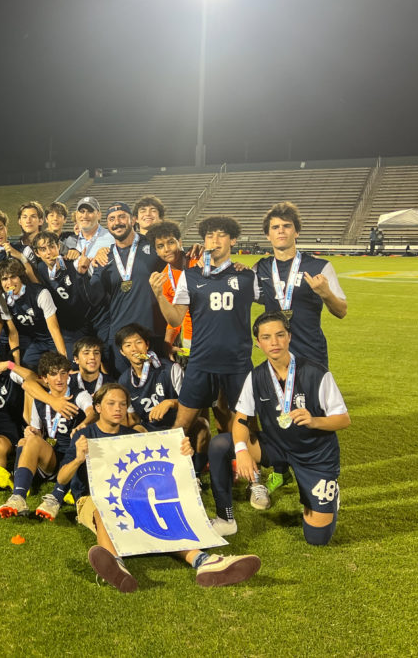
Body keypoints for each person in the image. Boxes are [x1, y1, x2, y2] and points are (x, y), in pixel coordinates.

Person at [59, 383, 261, 592]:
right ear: (98, 407)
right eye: (111, 403)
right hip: (91, 498)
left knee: (164, 511)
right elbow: (62, 478)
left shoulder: (133, 435)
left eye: (122, 404)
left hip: (131, 496)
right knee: (104, 511)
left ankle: (203, 560)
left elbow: (154, 469)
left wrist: (183, 454)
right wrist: (77, 459)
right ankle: (115, 564)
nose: (118, 408)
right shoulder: (84, 436)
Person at [207, 311, 350, 543]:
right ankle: (226, 519)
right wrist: (242, 451)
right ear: (258, 343)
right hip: (276, 447)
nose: (274, 342)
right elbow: (241, 420)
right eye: (266, 337)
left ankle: (326, 496)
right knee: (221, 444)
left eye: (279, 335)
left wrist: (315, 421)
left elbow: (343, 419)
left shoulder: (316, 373)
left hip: (315, 455)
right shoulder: (256, 377)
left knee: (317, 537)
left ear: (289, 337)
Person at [148, 216, 257, 475]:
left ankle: (250, 474)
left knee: (239, 419)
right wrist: (159, 296)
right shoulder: (190, 275)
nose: (215, 240)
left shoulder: (246, 276)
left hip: (236, 361)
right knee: (183, 421)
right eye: (210, 236)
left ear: (233, 240)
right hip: (200, 356)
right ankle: (171, 473)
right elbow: (175, 317)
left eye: (221, 235)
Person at [0, 339, 80, 488]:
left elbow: (34, 380)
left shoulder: (9, 374)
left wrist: (10, 365)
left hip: (12, 429)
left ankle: (5, 475)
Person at [0, 352, 95, 520]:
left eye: (63, 373)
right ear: (44, 378)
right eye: (53, 373)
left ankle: (55, 498)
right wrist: (31, 432)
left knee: (74, 447)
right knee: (27, 440)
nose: (59, 378)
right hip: (54, 457)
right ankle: (19, 497)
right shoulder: (41, 399)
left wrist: (83, 424)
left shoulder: (79, 395)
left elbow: (92, 413)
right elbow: (36, 429)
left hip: (76, 456)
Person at [254, 202, 347, 369]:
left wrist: (326, 293)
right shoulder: (260, 268)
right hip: (277, 354)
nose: (281, 230)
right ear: (268, 235)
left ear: (296, 232)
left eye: (287, 226)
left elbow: (341, 311)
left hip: (311, 352)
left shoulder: (320, 267)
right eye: (275, 227)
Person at [80, 201, 163, 376]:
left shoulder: (153, 245)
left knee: (157, 385)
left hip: (151, 333)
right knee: (122, 387)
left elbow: (177, 263)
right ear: (107, 225)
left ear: (133, 220)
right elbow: (94, 298)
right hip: (119, 335)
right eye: (111, 219)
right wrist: (83, 274)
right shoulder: (105, 257)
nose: (117, 222)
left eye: (121, 217)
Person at [0, 257, 66, 369]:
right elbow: (13, 333)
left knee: (66, 366)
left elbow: (54, 329)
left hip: (56, 337)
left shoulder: (40, 293)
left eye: (13, 277)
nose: (9, 282)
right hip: (36, 341)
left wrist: (63, 359)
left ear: (21, 277)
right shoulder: (3, 299)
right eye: (4, 279)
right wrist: (17, 366)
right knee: (26, 365)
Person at [32, 230, 92, 352]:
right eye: (43, 249)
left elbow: (89, 295)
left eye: (52, 246)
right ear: (37, 253)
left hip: (86, 323)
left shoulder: (74, 264)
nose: (49, 252)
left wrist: (82, 273)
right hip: (65, 329)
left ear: (59, 246)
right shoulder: (41, 269)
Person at [147, 220, 198, 355]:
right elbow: (174, 318)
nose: (167, 249)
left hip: (214, 333)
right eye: (160, 246)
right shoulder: (164, 278)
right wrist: (167, 343)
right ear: (156, 251)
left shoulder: (198, 260)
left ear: (179, 242)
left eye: (170, 242)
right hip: (190, 340)